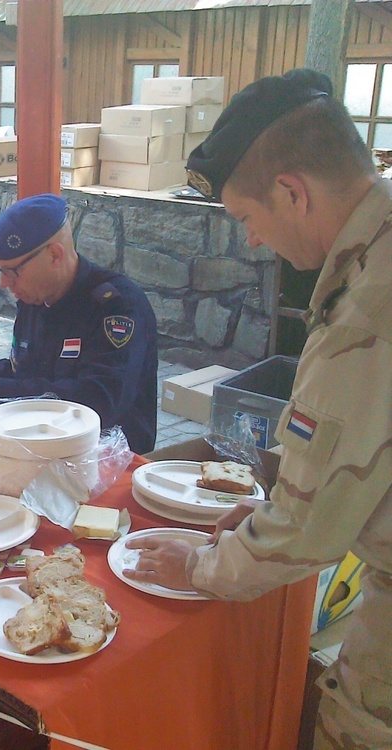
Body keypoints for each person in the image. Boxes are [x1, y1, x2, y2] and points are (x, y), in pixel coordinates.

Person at [124, 68, 392, 749]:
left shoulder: (369, 311)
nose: (250, 242)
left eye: (247, 218)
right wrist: (277, 500)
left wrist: (199, 567)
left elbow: (305, 534)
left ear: (292, 192)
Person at [0, 194, 158, 454]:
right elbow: (29, 374)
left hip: (107, 460)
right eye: (0, 270)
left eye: (12, 271)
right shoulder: (36, 297)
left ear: (54, 255)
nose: (4, 284)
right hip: (36, 445)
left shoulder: (116, 307)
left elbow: (98, 402)